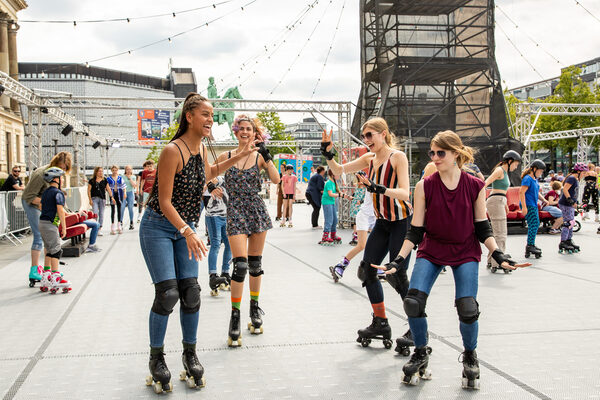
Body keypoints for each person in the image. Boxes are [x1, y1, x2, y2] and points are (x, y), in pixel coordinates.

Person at [372, 130, 529, 389]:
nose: (434, 157)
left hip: (465, 250)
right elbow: (416, 230)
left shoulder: (475, 186)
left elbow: (482, 227)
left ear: (456, 153)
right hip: (432, 248)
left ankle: (470, 355)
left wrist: (497, 253)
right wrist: (399, 259)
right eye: (432, 153)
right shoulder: (425, 186)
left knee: (467, 307)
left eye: (440, 153)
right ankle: (421, 352)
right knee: (413, 301)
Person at [139, 93, 257, 392]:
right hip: (159, 227)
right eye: (205, 114)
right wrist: (189, 232)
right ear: (189, 116)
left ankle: (190, 354)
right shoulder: (172, 151)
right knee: (168, 293)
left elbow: (210, 174)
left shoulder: (201, 149)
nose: (210, 119)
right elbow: (164, 201)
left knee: (191, 292)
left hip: (185, 227)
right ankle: (156, 358)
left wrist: (241, 154)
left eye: (211, 114)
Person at [322, 117, 413, 350]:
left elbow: (404, 193)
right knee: (367, 271)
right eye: (364, 136)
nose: (366, 140)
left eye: (370, 135)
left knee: (396, 274)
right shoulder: (369, 159)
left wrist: (377, 188)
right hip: (383, 222)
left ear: (384, 134)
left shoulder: (397, 157)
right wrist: (328, 153)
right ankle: (381, 322)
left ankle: (416, 326)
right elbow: (339, 170)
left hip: (402, 222)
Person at [216, 114, 279, 346]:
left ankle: (254, 308)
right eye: (241, 128)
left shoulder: (259, 156)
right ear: (236, 131)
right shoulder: (228, 156)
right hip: (235, 211)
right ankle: (235, 316)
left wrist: (267, 154)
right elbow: (209, 174)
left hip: (256, 210)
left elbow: (276, 180)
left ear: (255, 134)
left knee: (255, 265)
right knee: (239, 266)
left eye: (249, 129)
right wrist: (212, 186)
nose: (245, 132)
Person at [22, 151, 72, 287]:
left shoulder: (57, 177)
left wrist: (65, 210)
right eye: (61, 168)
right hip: (30, 202)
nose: (62, 172)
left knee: (48, 241)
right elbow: (29, 196)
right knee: (40, 236)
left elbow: (59, 199)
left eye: (64, 170)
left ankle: (48, 271)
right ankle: (34, 270)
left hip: (43, 204)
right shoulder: (41, 174)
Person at [330, 178, 373, 282]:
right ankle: (341, 265)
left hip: (377, 217)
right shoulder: (372, 183)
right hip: (365, 216)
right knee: (362, 245)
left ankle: (374, 266)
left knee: (377, 244)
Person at [484, 150, 521, 270]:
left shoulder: (504, 172)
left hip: (500, 201)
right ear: (509, 161)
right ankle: (498, 262)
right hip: (495, 201)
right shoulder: (500, 170)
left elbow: (502, 190)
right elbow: (485, 183)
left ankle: (491, 260)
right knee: (501, 234)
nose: (516, 167)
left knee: (497, 233)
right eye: (515, 164)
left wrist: (505, 203)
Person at [38, 167, 72, 294]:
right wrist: (63, 226)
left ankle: (47, 275)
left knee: (49, 250)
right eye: (61, 177)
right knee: (56, 251)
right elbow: (60, 210)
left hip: (42, 222)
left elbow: (41, 205)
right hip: (51, 224)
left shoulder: (46, 192)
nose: (62, 179)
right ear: (56, 179)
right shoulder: (58, 193)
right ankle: (55, 277)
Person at [204, 176, 232, 296]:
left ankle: (225, 272)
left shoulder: (238, 184)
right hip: (214, 216)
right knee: (215, 244)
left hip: (226, 216)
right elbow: (212, 180)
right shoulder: (223, 179)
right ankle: (213, 275)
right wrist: (210, 187)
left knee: (229, 244)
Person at [519, 159, 547, 259]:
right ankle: (530, 245)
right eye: (540, 170)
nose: (541, 173)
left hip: (533, 204)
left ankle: (531, 244)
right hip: (528, 204)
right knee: (534, 224)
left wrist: (543, 199)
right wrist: (524, 207)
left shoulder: (534, 179)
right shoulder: (527, 179)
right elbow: (522, 192)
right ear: (534, 169)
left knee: (534, 224)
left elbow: (536, 192)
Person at [558, 163, 588, 253]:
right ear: (578, 171)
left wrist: (576, 205)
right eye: (583, 173)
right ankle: (563, 242)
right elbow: (565, 189)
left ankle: (568, 240)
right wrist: (569, 199)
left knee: (572, 222)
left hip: (570, 204)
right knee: (568, 223)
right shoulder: (571, 178)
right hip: (565, 203)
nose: (584, 175)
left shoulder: (575, 179)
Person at [319, 169, 349, 245]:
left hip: (332, 202)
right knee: (329, 219)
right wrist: (340, 195)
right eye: (338, 174)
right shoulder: (329, 183)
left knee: (335, 219)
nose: (339, 176)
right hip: (327, 202)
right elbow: (330, 194)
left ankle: (333, 235)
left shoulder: (334, 183)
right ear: (333, 175)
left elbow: (339, 192)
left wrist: (346, 196)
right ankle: (325, 236)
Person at [87, 167, 108, 235]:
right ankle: (95, 227)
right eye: (99, 171)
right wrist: (90, 200)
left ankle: (99, 228)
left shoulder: (104, 180)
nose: (100, 172)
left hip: (102, 199)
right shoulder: (92, 181)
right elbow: (89, 190)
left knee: (101, 214)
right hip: (94, 199)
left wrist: (112, 197)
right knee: (95, 213)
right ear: (96, 172)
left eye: (102, 171)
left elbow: (108, 189)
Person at [107, 165, 126, 235]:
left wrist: (124, 193)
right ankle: (112, 225)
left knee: (119, 209)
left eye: (116, 170)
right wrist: (111, 196)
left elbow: (124, 186)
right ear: (111, 170)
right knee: (113, 210)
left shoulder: (120, 178)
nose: (114, 172)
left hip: (119, 194)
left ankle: (119, 224)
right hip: (112, 195)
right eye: (113, 170)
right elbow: (107, 188)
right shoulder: (108, 178)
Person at [348, 179, 367, 245]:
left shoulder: (365, 189)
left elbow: (367, 198)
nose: (359, 182)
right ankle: (355, 235)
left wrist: (361, 202)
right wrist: (352, 197)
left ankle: (359, 236)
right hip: (355, 205)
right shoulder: (357, 187)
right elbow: (355, 195)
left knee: (360, 221)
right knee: (355, 220)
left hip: (361, 206)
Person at [121, 165, 137, 230]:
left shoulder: (133, 177)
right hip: (123, 193)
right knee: (122, 207)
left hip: (130, 192)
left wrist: (130, 178)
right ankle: (120, 222)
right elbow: (120, 185)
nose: (128, 170)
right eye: (127, 169)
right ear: (125, 170)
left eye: (130, 169)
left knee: (130, 208)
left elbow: (134, 185)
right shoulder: (122, 176)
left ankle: (131, 222)